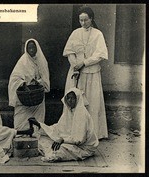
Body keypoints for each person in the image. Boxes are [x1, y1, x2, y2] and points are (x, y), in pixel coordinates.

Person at [63, 6, 108, 139]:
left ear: (91, 19)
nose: (83, 23)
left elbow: (100, 55)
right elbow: (69, 51)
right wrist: (75, 65)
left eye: (85, 20)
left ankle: (92, 133)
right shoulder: (75, 33)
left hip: (91, 73)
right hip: (76, 73)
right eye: (80, 20)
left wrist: (84, 63)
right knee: (75, 101)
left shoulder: (98, 34)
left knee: (92, 103)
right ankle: (74, 130)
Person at [29, 88, 99, 162]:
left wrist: (62, 140)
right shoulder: (68, 112)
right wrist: (40, 125)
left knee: (61, 149)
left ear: (78, 99)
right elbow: (58, 128)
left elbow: (80, 139)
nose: (70, 100)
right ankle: (53, 153)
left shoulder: (82, 114)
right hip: (69, 141)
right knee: (42, 139)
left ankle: (54, 155)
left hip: (83, 147)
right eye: (68, 98)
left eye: (72, 98)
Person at [8, 38, 50, 132]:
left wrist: (38, 82)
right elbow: (14, 78)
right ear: (26, 49)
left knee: (37, 124)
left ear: (37, 48)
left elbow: (45, 80)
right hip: (25, 96)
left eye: (33, 48)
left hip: (37, 96)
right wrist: (23, 83)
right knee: (21, 122)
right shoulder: (22, 61)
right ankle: (21, 132)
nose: (31, 50)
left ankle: (35, 135)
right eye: (29, 48)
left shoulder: (42, 61)